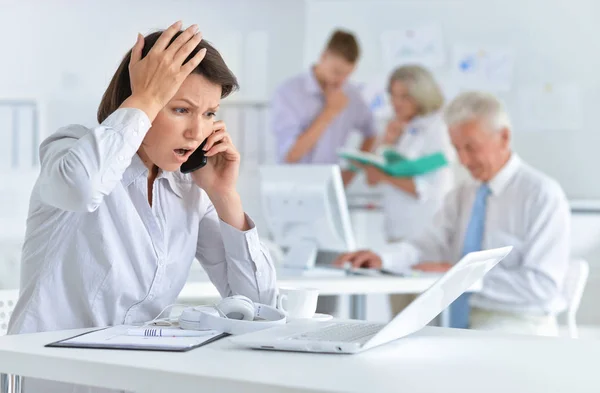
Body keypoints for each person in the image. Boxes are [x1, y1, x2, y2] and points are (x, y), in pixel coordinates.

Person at [8, 21, 277, 392]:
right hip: (58, 380)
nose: (197, 131)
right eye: (181, 109)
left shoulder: (189, 187)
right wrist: (147, 97)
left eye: (210, 113)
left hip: (135, 378)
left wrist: (224, 196)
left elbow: (261, 306)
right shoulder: (73, 149)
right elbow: (80, 189)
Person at [335, 91, 570, 336]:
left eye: (471, 147)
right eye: (457, 148)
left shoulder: (541, 195)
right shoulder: (462, 194)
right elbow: (426, 246)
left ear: (504, 137)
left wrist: (461, 276)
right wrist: (382, 258)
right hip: (458, 317)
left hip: (517, 321)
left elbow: (543, 287)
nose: (463, 160)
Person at [351, 65, 454, 317]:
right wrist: (386, 140)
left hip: (425, 236)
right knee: (399, 314)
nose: (396, 103)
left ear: (421, 95)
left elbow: (427, 190)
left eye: (404, 96)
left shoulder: (438, 128)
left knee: (424, 316)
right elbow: (373, 180)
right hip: (397, 235)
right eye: (393, 95)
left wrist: (386, 175)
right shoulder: (397, 127)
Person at [271, 29, 376, 186]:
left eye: (347, 74)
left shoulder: (352, 95)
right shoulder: (288, 92)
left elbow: (372, 133)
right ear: (323, 56)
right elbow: (291, 155)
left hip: (331, 187)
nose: (341, 80)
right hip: (291, 188)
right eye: (336, 72)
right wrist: (330, 112)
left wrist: (351, 173)